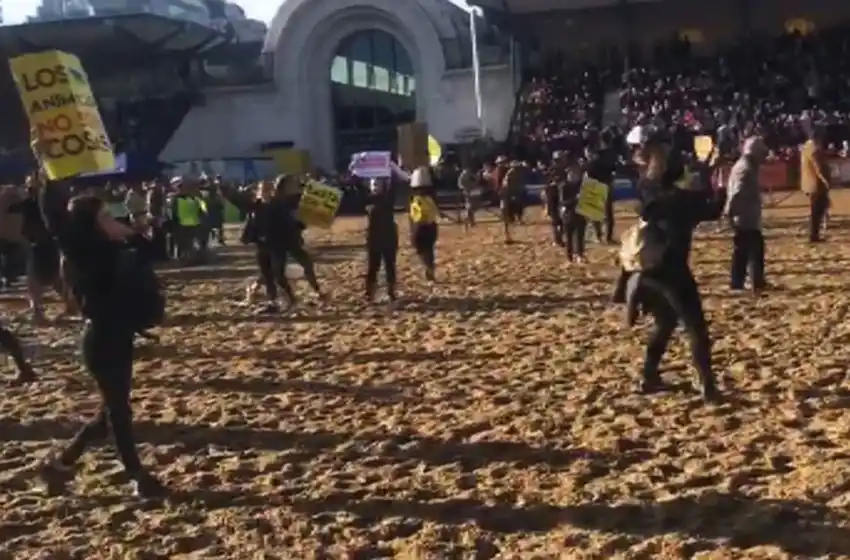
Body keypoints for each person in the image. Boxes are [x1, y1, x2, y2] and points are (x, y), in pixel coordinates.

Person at [36, 182, 168, 498]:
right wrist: (48, 174)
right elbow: (55, 221)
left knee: (109, 411)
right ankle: (136, 474)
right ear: (91, 221)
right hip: (101, 339)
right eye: (107, 215)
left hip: (121, 335)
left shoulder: (118, 246)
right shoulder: (85, 250)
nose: (114, 218)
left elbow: (156, 252)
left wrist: (140, 230)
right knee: (118, 411)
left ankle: (63, 463)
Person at [620, 136, 723, 403]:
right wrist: (712, 178)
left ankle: (648, 375)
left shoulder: (647, 188)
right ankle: (707, 385)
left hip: (647, 269)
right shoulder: (682, 199)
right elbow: (712, 210)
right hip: (674, 269)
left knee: (665, 322)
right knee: (695, 328)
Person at [224, 177, 324, 313]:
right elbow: (237, 200)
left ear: (272, 191)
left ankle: (293, 298)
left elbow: (293, 218)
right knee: (267, 276)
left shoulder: (280, 205)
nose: (265, 192)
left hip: (278, 245)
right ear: (258, 192)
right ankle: (273, 302)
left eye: (268, 189)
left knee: (279, 275)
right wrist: (223, 188)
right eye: (262, 189)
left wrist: (299, 226)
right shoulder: (255, 206)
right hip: (262, 245)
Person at [725, 136, 767, 294]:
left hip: (746, 215)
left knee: (742, 250)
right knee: (754, 249)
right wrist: (729, 213)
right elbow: (737, 192)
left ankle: (739, 283)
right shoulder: (745, 168)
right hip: (744, 216)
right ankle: (755, 282)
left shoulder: (747, 166)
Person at [364, 178, 398, 303]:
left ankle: (391, 291)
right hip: (374, 239)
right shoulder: (367, 200)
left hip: (388, 238)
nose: (376, 187)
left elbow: (394, 186)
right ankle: (369, 292)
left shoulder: (388, 199)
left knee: (390, 266)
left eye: (379, 184)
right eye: (374, 184)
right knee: (373, 267)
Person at [408, 166, 439, 281]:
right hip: (431, 226)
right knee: (428, 249)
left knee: (420, 248)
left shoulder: (415, 199)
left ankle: (428, 267)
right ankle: (429, 267)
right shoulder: (431, 198)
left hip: (420, 226)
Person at [800, 129, 830, 243]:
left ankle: (814, 234)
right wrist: (826, 181)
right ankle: (814, 235)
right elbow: (819, 169)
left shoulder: (805, 148)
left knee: (815, 210)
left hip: (808, 183)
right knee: (817, 211)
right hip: (816, 185)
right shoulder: (814, 149)